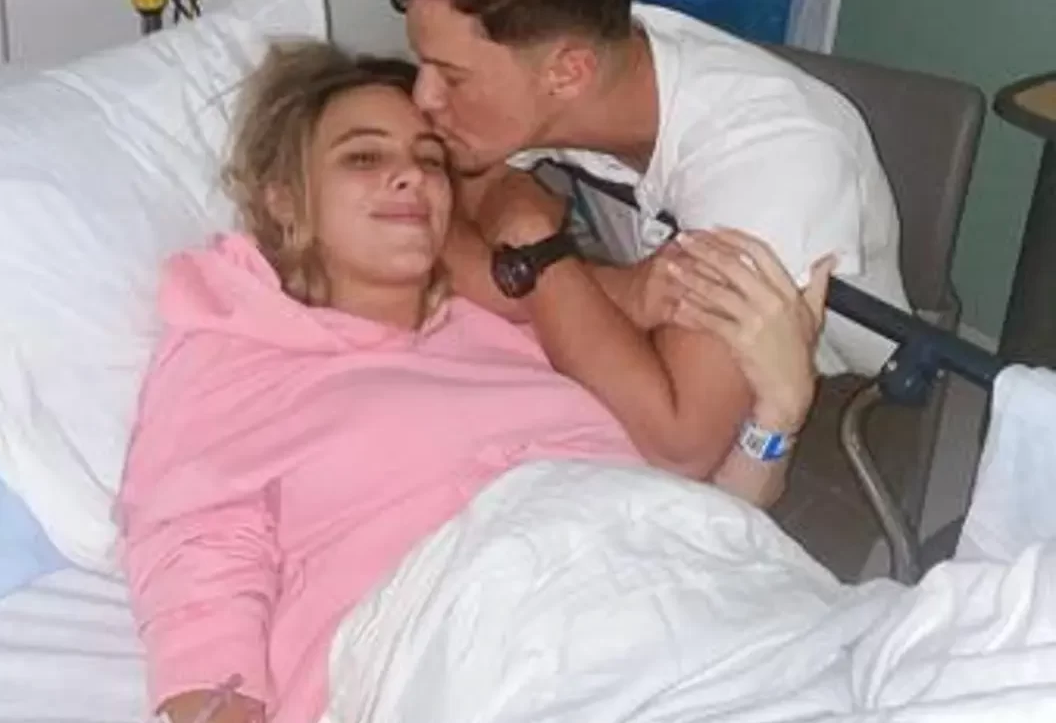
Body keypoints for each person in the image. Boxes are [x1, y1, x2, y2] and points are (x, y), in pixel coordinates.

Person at [116, 42, 834, 723]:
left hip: (676, 603)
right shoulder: (240, 345)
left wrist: (780, 412)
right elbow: (198, 557)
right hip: (464, 632)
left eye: (429, 160)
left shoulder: (524, 327)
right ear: (282, 200)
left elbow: (695, 520)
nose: (411, 176)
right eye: (364, 156)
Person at [390, 0, 912, 484]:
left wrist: (533, 244)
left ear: (568, 74)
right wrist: (609, 289)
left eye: (451, 77)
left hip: (814, 390)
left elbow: (679, 443)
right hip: (649, 331)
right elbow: (425, 219)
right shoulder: (578, 56)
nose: (423, 98)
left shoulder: (771, 161)